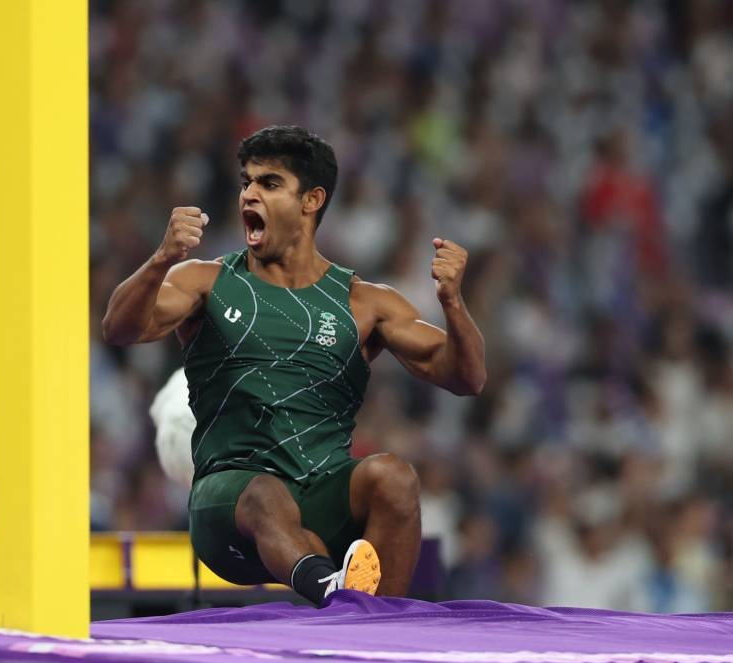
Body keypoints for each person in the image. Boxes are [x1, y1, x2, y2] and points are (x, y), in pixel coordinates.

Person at [102, 125, 486, 605]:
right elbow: (119, 329)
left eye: (269, 183)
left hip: (319, 500)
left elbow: (468, 377)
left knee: (395, 478)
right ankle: (338, 598)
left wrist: (453, 303)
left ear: (311, 200)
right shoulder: (204, 280)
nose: (249, 194)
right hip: (230, 504)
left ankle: (377, 627)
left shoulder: (364, 302)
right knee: (266, 493)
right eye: (246, 182)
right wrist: (162, 258)